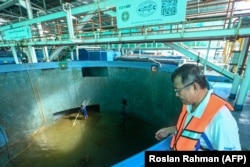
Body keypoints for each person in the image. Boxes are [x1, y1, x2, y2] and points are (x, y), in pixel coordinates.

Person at [155, 63, 241, 151]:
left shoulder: (221, 120)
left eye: (178, 90)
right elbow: (194, 127)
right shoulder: (189, 104)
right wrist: (171, 129)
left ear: (195, 87)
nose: (176, 94)